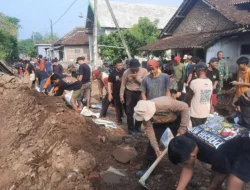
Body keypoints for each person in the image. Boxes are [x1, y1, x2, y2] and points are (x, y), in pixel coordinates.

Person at [168, 127, 250, 190]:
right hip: (229, 145)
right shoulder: (187, 137)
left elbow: (222, 174)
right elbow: (188, 167)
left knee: (233, 183)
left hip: (246, 148)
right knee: (216, 174)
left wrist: (210, 188)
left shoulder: (217, 153)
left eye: (185, 162)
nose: (185, 164)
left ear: (192, 155)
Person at [133, 96, 189, 176]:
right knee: (152, 145)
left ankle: (188, 172)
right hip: (160, 122)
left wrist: (183, 126)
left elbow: (185, 107)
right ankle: (147, 169)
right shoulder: (144, 113)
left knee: (179, 143)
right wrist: (155, 146)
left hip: (176, 119)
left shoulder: (165, 104)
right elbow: (150, 131)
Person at [120, 59, 148, 136]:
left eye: (135, 68)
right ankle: (131, 129)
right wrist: (121, 95)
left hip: (140, 92)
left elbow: (146, 83)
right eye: (132, 68)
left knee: (140, 110)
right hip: (129, 92)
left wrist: (137, 78)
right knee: (129, 111)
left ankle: (138, 127)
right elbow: (123, 84)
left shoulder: (144, 71)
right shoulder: (126, 72)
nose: (134, 69)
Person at [186, 62, 213, 127]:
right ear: (206, 70)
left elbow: (189, 97)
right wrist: (211, 108)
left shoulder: (194, 82)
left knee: (196, 132)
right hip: (206, 112)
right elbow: (210, 98)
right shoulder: (210, 82)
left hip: (196, 113)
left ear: (197, 71)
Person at [108, 59, 126, 124]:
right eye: (119, 65)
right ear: (115, 66)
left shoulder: (125, 71)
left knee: (126, 107)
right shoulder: (112, 73)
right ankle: (119, 119)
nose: (120, 66)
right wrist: (110, 94)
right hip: (116, 93)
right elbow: (109, 84)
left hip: (125, 93)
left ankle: (129, 119)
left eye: (121, 65)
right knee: (118, 107)